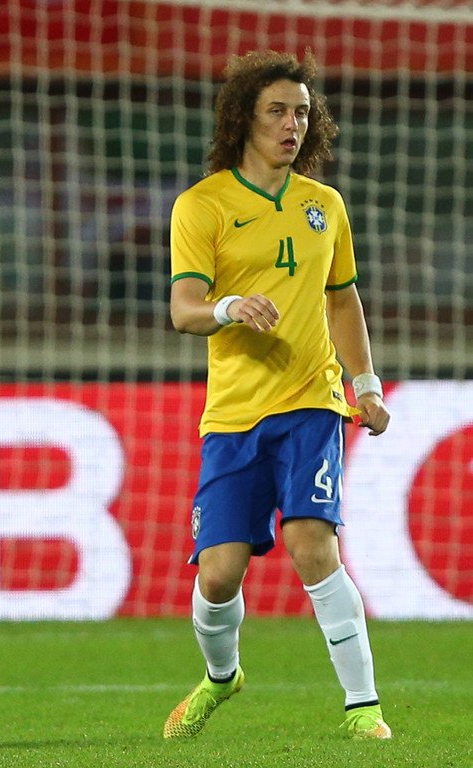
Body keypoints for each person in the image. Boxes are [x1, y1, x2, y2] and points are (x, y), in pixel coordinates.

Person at [162, 50, 392, 741]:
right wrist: (228, 307)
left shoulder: (325, 206)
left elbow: (342, 300)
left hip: (311, 400)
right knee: (218, 575)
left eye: (301, 112)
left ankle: (363, 709)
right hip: (233, 415)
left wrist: (365, 384)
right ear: (243, 118)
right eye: (276, 111)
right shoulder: (202, 206)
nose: (292, 124)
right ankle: (222, 676)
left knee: (311, 541)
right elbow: (183, 309)